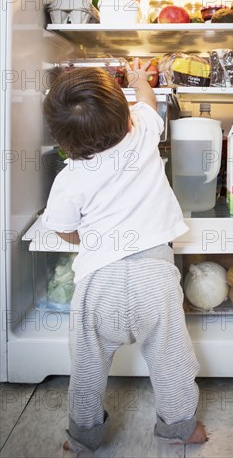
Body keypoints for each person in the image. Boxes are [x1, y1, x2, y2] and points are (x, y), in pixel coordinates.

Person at [42, 61, 208, 455]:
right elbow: (148, 101)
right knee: (172, 363)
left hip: (98, 285)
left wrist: (90, 237)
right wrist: (136, 79)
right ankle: (179, 429)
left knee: (86, 371)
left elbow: (62, 228)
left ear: (63, 141)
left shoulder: (68, 179)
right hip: (155, 279)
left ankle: (82, 439)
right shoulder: (143, 132)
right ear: (127, 116)